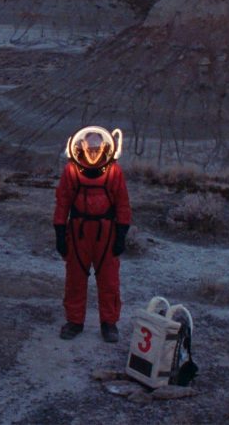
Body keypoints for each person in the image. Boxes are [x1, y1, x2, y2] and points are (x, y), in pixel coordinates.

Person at [53, 126, 131, 343]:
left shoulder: (114, 172)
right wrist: (60, 233)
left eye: (97, 149)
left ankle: (109, 323)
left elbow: (123, 204)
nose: (93, 153)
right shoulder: (72, 171)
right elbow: (62, 203)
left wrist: (122, 233)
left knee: (109, 281)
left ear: (105, 148)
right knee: (75, 279)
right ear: (81, 147)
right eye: (90, 149)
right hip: (78, 232)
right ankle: (74, 321)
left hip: (106, 232)